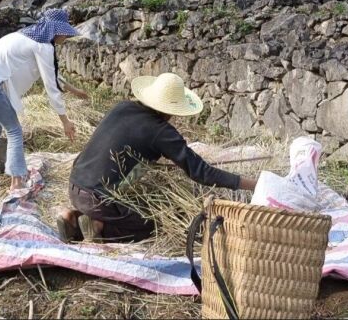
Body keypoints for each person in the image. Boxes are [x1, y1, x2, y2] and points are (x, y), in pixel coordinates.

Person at [56, 72, 258, 243]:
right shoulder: (162, 132)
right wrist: (251, 184)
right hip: (97, 199)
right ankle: (98, 224)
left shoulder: (122, 107)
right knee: (153, 225)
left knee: (119, 208)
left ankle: (73, 216)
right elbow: (201, 172)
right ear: (173, 110)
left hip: (75, 184)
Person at [0, 8, 87, 191]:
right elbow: (50, 86)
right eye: (64, 31)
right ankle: (16, 182)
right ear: (56, 29)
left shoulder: (23, 36)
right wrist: (65, 121)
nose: (66, 36)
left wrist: (74, 90)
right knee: (14, 131)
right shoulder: (43, 46)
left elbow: (51, 74)